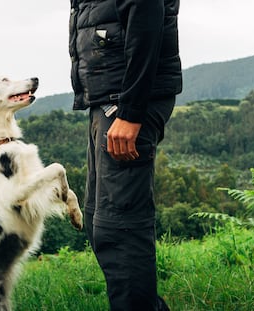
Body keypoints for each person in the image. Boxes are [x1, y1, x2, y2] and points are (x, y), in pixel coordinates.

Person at [69, 0, 182, 310]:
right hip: (107, 101)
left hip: (127, 103)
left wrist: (131, 112)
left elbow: (145, 16)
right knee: (97, 218)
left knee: (119, 227)